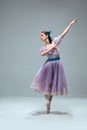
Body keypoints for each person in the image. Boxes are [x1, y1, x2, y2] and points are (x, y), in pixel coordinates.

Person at [31, 18, 78, 114]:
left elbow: (64, 33)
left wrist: (70, 24)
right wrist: (51, 48)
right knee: (45, 84)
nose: (41, 37)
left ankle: (48, 103)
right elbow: (42, 54)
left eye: (42, 35)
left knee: (52, 86)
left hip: (57, 65)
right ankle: (47, 100)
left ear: (47, 35)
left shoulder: (55, 41)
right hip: (48, 65)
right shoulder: (43, 48)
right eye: (40, 36)